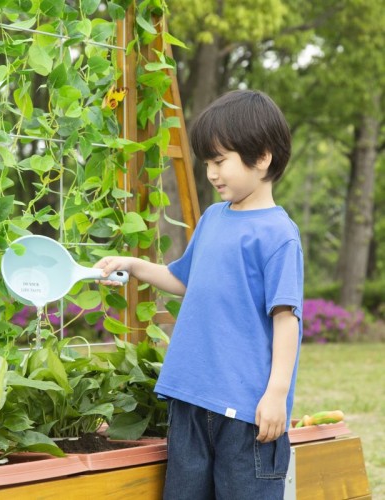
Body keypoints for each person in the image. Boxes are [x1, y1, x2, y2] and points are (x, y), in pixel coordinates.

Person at [95, 89, 304, 500]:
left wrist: (276, 394)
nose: (211, 173)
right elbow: (183, 279)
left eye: (220, 160)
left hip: (247, 414)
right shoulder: (212, 218)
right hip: (190, 398)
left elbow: (286, 318)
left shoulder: (279, 235)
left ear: (262, 157)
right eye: (207, 162)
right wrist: (134, 265)